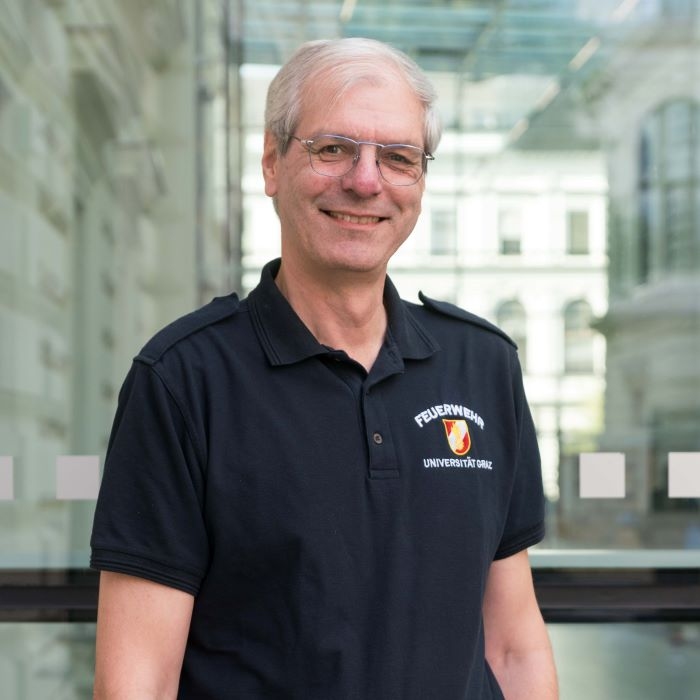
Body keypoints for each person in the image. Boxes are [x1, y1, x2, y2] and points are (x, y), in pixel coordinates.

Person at [90, 37, 558, 699]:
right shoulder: (182, 380)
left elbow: (513, 645)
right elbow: (137, 682)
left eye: (397, 157)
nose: (366, 181)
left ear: (419, 183)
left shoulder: (483, 366)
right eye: (333, 148)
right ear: (273, 163)